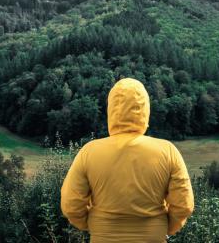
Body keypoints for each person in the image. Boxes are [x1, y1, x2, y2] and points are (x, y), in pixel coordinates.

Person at [61, 78, 194, 242]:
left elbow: (71, 205)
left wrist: (95, 226)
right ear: (145, 110)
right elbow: (184, 205)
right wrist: (165, 228)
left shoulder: (89, 151)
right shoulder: (167, 151)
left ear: (111, 110)